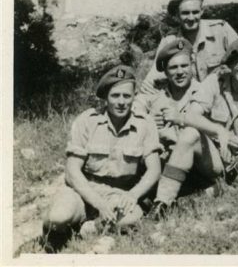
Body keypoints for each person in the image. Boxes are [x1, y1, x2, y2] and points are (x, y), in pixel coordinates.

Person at [43, 65, 161, 250]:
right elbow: (72, 172)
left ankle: (89, 228)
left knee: (129, 220)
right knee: (58, 217)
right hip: (84, 189)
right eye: (115, 96)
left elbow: (154, 170)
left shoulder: (145, 124)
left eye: (126, 96)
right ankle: (53, 231)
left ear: (134, 97)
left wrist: (133, 195)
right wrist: (99, 204)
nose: (121, 102)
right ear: (106, 97)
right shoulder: (87, 121)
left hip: (119, 193)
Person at [137, 39, 225, 217]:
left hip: (206, 163)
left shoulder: (206, 92)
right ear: (165, 72)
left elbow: (220, 132)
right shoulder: (156, 98)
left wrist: (177, 133)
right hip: (173, 165)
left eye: (184, 66)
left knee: (191, 133)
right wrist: (159, 135)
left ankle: (162, 202)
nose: (180, 72)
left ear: (192, 65)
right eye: (173, 68)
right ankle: (185, 196)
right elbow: (137, 111)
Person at [188, 36, 238, 186]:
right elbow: (192, 115)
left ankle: (225, 184)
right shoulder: (214, 82)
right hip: (214, 156)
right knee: (190, 136)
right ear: (231, 65)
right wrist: (219, 133)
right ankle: (221, 182)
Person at [141, 0, 238, 95]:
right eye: (185, 13)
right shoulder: (170, 41)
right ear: (177, 15)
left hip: (222, 99)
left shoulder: (222, 30)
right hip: (189, 104)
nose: (191, 18)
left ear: (202, 11)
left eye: (195, 12)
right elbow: (152, 80)